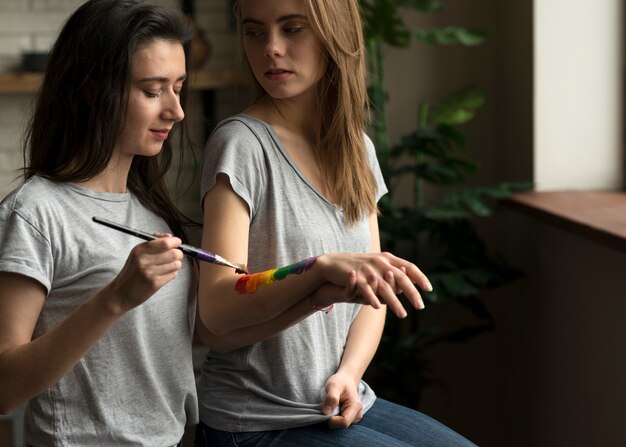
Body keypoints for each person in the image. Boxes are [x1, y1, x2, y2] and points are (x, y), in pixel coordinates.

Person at [193, 0, 477, 446]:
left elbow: (372, 292)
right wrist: (316, 270)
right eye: (254, 32)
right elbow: (216, 306)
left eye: (292, 29)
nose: (271, 48)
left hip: (341, 400)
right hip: (253, 423)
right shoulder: (240, 144)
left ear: (334, 35)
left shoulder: (356, 149)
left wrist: (349, 374)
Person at [0, 0, 199, 445]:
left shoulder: (154, 212)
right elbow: (4, 386)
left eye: (179, 88)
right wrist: (115, 298)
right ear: (92, 91)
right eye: (153, 91)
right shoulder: (35, 214)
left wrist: (306, 285)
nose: (176, 111)